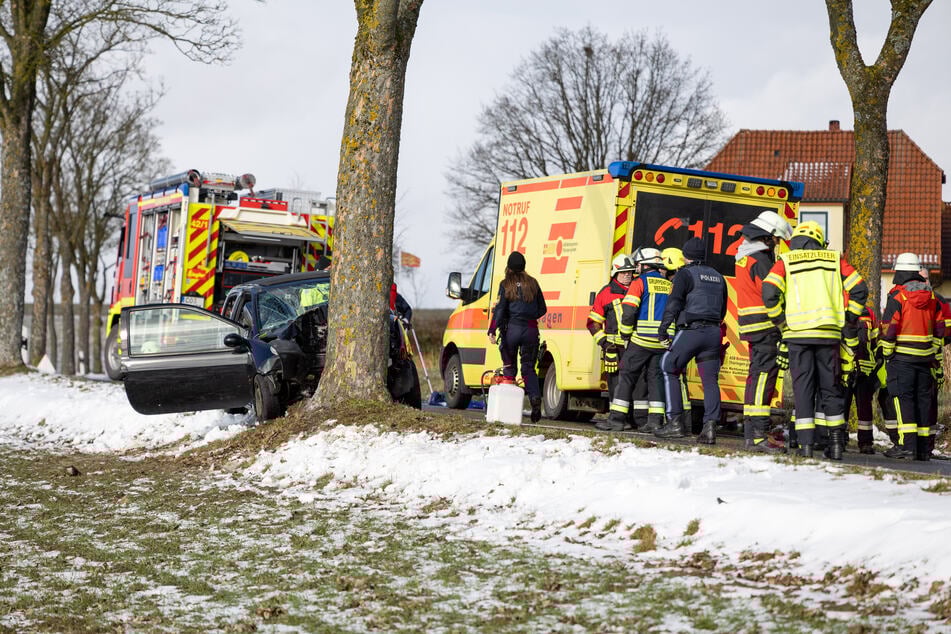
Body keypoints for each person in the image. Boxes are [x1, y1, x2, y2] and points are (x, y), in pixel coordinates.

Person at [762, 221, 868, 460]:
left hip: (798, 335)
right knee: (830, 390)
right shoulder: (833, 259)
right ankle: (837, 445)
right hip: (829, 335)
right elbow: (860, 288)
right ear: (819, 240)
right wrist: (850, 318)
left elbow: (769, 291)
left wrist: (781, 322)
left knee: (803, 390)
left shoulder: (786, 261)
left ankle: (806, 447)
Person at [655, 238, 727, 443]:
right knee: (710, 380)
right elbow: (723, 310)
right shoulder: (718, 277)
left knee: (668, 366)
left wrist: (663, 330)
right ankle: (710, 427)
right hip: (713, 333)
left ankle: (675, 423)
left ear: (685, 256)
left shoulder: (684, 274)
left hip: (691, 331)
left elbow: (673, 304)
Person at [733, 210, 792, 451]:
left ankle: (752, 433)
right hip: (767, 327)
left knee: (756, 377)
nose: (776, 245)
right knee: (763, 379)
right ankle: (757, 435)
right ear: (767, 237)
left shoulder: (745, 256)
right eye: (776, 240)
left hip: (752, 326)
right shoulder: (763, 260)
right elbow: (773, 293)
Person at [879, 253, 944, 460]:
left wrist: (887, 353)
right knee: (923, 401)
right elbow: (940, 329)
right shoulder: (932, 296)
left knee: (903, 400)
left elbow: (889, 329)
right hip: (925, 359)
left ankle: (907, 446)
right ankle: (923, 449)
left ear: (900, 272)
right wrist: (932, 351)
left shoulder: (898, 296)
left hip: (902, 359)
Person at [599, 247, 671, 432]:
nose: (636, 268)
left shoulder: (639, 283)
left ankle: (616, 419)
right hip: (662, 341)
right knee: (655, 378)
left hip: (641, 339)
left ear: (645, 265)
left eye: (638, 264)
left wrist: (625, 334)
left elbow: (629, 311)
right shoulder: (669, 284)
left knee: (626, 374)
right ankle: (654, 422)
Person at [487, 251, 548, 423]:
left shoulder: (505, 284)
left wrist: (492, 330)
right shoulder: (533, 283)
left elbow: (499, 310)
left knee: (510, 367)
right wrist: (530, 315)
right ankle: (535, 397)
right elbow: (543, 308)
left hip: (511, 330)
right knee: (528, 368)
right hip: (530, 330)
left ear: (509, 267)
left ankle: (508, 410)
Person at [587, 254, 637, 411]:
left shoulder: (638, 288)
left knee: (636, 384)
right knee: (615, 383)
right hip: (614, 349)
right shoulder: (606, 292)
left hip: (636, 346)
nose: (627, 275)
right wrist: (606, 344)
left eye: (630, 272)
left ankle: (634, 418)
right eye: (623, 272)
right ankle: (616, 417)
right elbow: (593, 323)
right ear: (615, 273)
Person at [844, 304, 879, 454]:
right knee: (842, 406)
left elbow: (876, 339)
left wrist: (877, 360)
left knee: (864, 408)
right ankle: (839, 438)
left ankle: (866, 443)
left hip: (866, 369)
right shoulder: (839, 308)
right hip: (845, 368)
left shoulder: (869, 312)